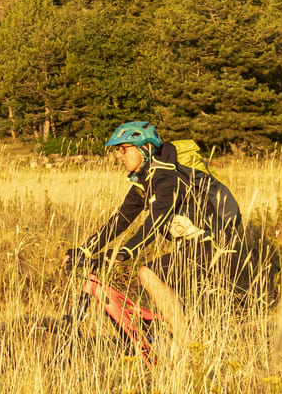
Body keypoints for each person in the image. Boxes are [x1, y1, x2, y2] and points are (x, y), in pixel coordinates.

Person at [73, 120, 244, 309]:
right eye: (117, 150)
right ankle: (174, 330)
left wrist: (126, 251)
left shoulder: (167, 179)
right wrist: (84, 250)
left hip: (214, 248)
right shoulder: (144, 182)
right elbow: (120, 220)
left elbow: (157, 219)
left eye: (123, 149)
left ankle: (181, 334)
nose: (119, 156)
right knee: (163, 296)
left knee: (148, 273)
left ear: (144, 149)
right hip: (191, 250)